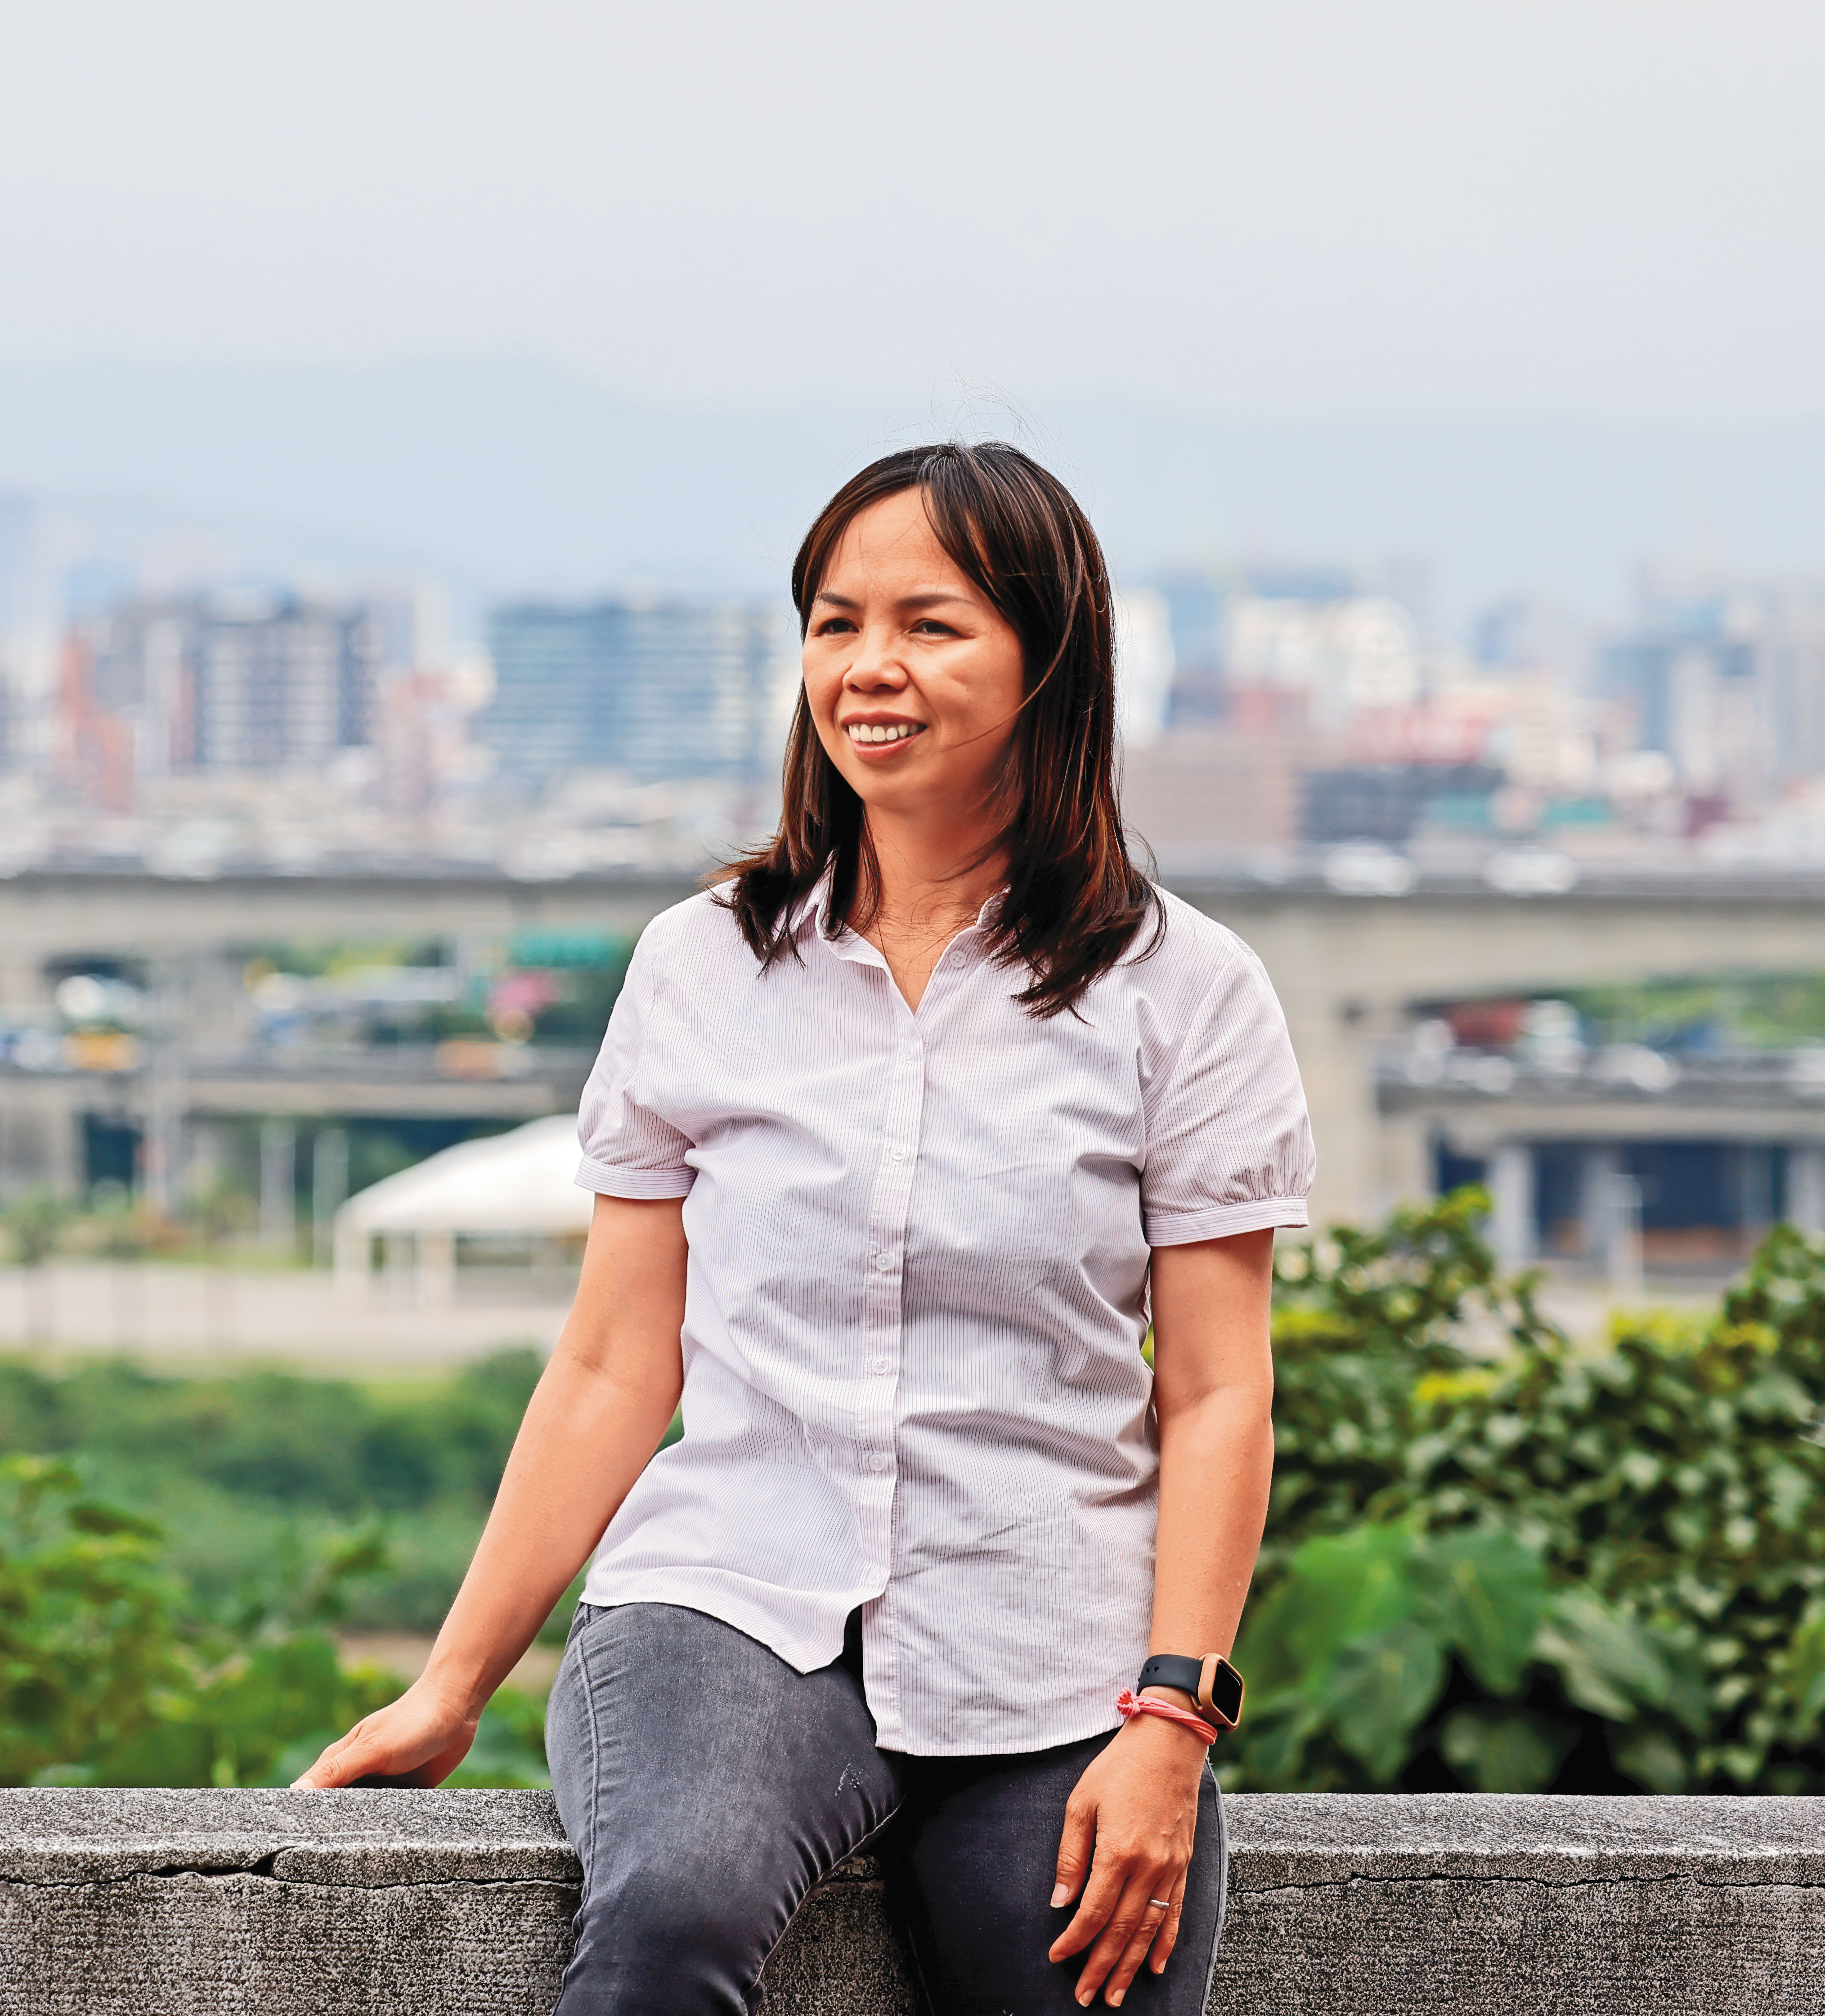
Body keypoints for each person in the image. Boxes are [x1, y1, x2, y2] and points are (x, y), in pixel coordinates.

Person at [299, 441, 1310, 2016]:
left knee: (1095, 1981)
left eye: (930, 624)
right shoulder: (702, 965)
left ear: (1051, 657)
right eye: (835, 624)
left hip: (1047, 1638)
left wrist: (1170, 1722)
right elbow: (614, 1365)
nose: (869, 669)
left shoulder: (1183, 994)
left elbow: (1216, 1393)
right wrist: (452, 1683)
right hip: (731, 1597)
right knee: (673, 1911)